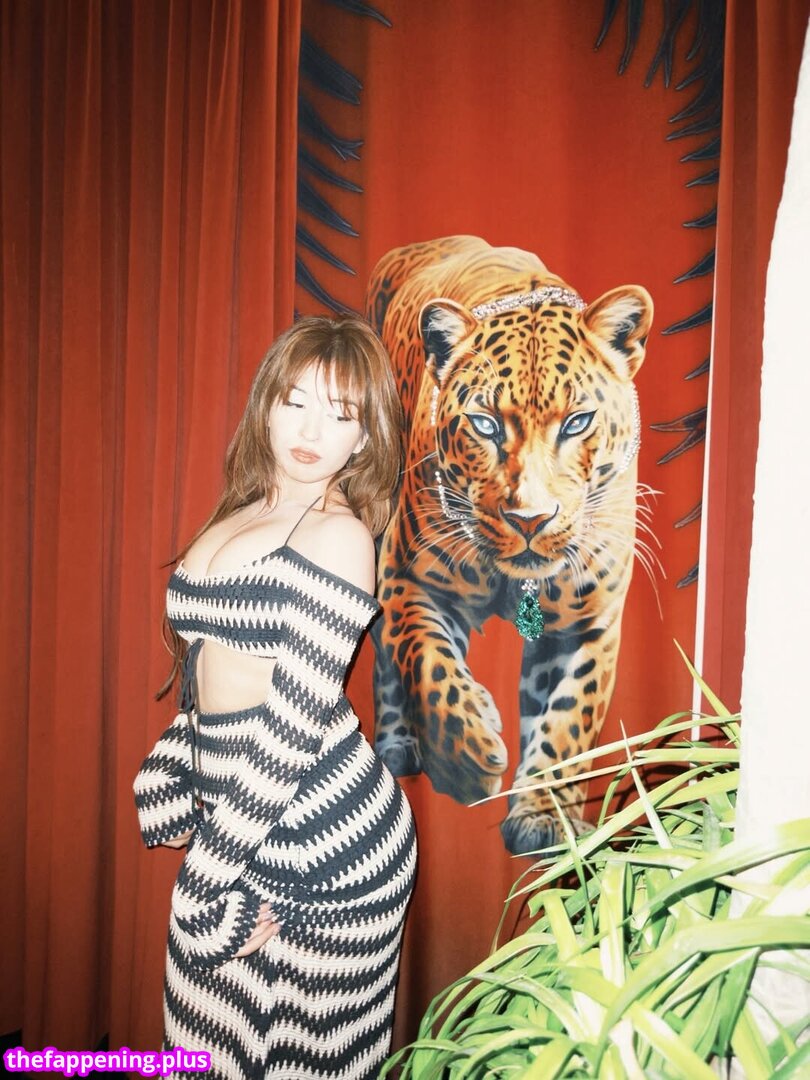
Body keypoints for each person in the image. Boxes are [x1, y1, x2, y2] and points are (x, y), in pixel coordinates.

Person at [133, 315, 417, 1080]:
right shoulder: (246, 508)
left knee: (301, 1066)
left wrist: (199, 889)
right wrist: (174, 761)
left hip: (329, 847)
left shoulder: (338, 537)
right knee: (204, 1051)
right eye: (296, 402)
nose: (312, 430)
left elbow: (291, 733)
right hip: (244, 821)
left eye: (341, 413)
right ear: (266, 406)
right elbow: (212, 666)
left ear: (366, 436)